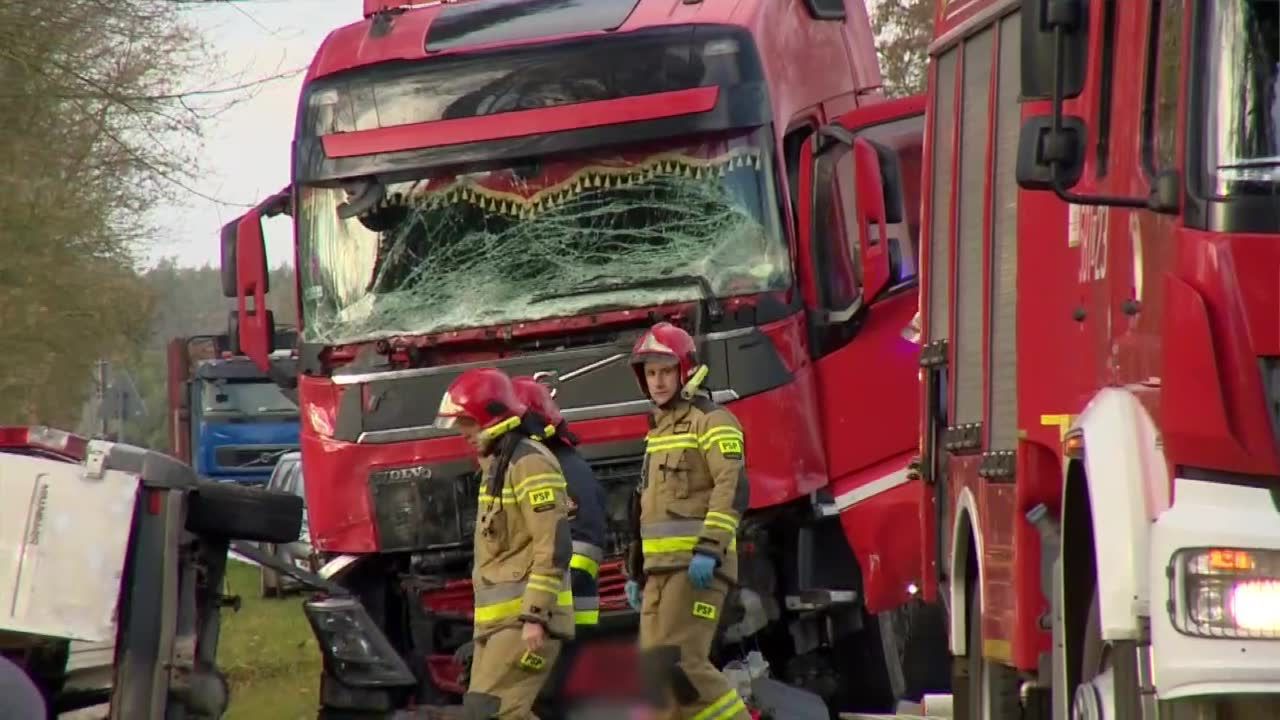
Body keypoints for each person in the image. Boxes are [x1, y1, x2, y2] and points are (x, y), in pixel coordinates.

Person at [623, 321, 751, 720]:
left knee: (684, 664)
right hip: (659, 574)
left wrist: (710, 549)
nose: (658, 382)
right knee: (658, 678)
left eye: (666, 371)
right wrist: (635, 570)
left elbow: (732, 487)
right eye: (651, 373)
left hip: (697, 567)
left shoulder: (712, 421)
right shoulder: (658, 432)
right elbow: (646, 509)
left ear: (685, 371)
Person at [435, 368, 575, 719]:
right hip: (500, 626)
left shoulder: (528, 464)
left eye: (467, 422)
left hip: (523, 623)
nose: (463, 433)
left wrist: (536, 616)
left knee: (493, 712)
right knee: (494, 711)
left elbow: (552, 545)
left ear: (490, 416)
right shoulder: (499, 465)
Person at [511, 376, 609, 712]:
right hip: (560, 615)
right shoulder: (559, 463)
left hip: (560, 616)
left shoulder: (554, 470)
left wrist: (537, 612)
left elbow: (578, 549)